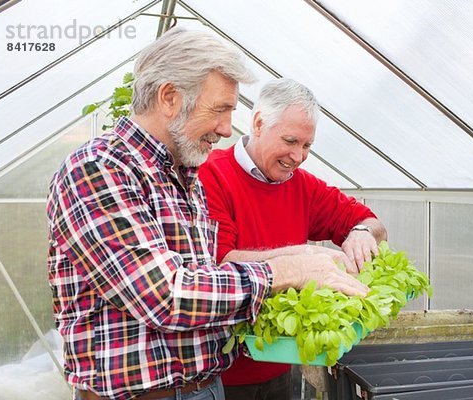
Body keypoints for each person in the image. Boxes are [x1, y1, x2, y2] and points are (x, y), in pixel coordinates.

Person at [46, 28, 368, 400]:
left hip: (207, 387)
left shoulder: (186, 175)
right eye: (219, 109)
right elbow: (164, 295)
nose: (226, 128)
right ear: (169, 97)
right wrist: (290, 269)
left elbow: (206, 276)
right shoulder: (99, 169)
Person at [198, 78, 387, 400]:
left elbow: (373, 224)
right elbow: (217, 264)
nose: (298, 156)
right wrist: (300, 260)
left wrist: (360, 232)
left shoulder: (302, 185)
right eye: (290, 141)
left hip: (283, 361)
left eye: (307, 146)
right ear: (258, 124)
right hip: (222, 372)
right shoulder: (211, 175)